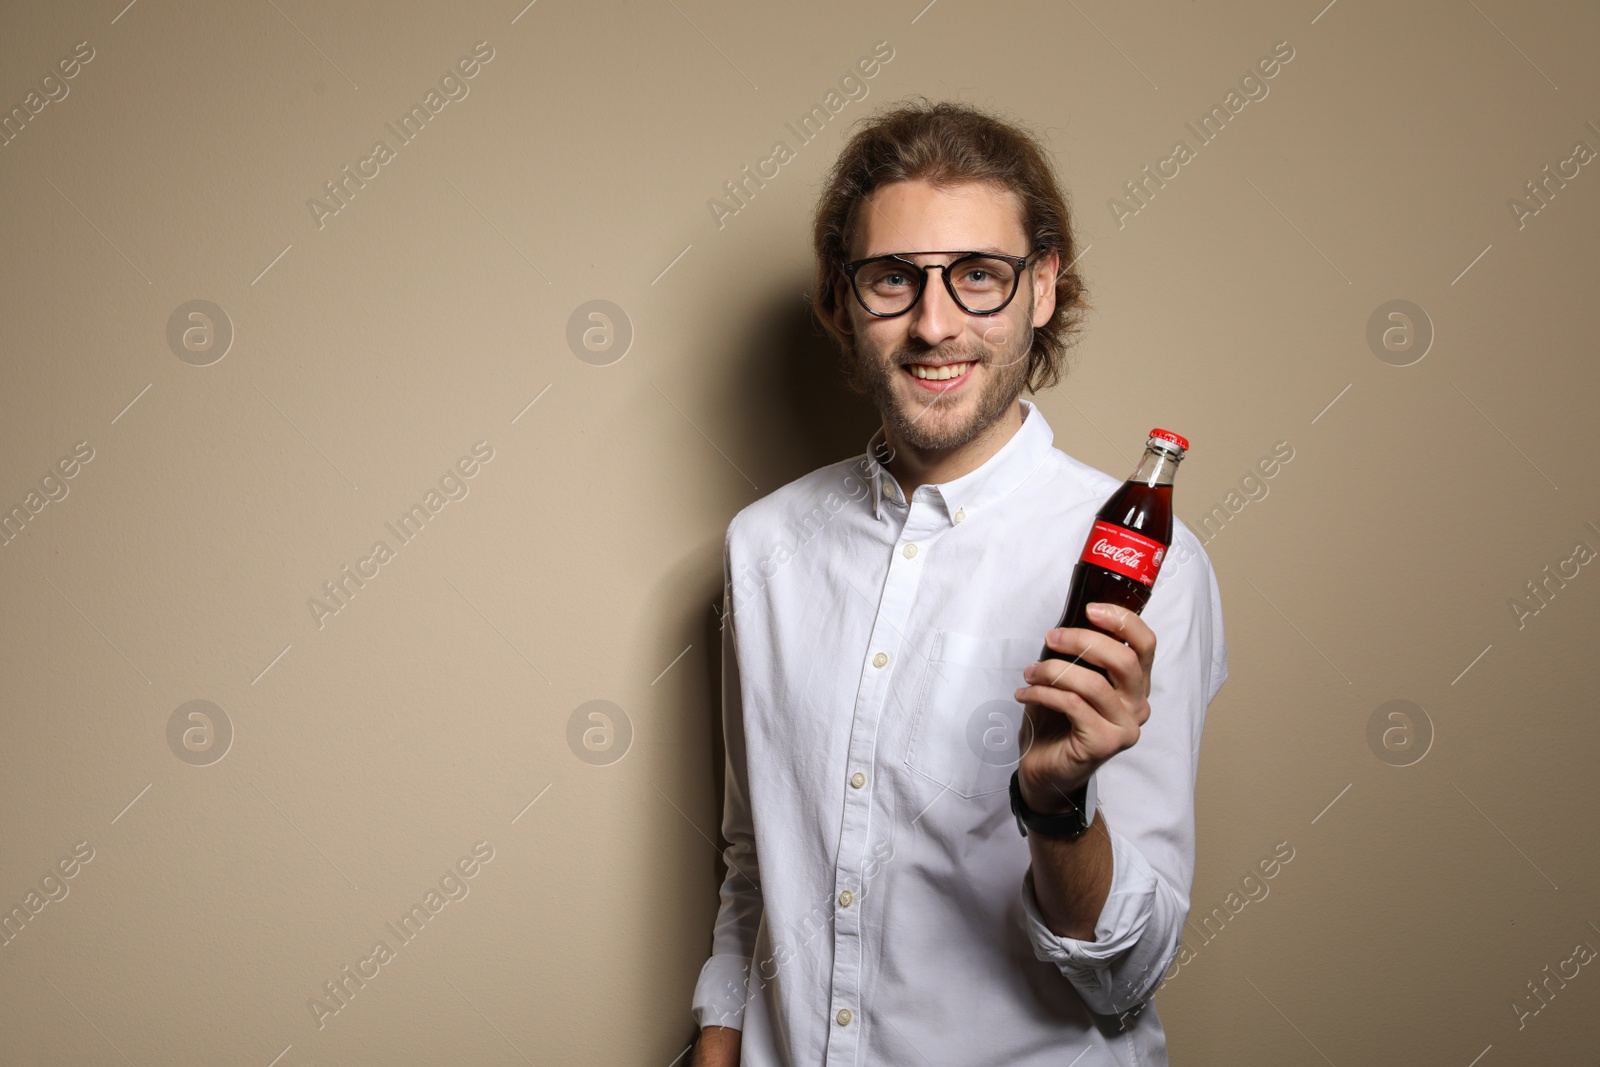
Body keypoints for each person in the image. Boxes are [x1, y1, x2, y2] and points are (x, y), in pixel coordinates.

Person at [689, 98, 1228, 1067]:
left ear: (1042, 288)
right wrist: (718, 1036)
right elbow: (751, 855)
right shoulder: (762, 543)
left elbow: (1124, 974)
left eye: (978, 276)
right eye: (893, 279)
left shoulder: (1149, 569)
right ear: (840, 300)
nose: (934, 325)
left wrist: (1057, 806)